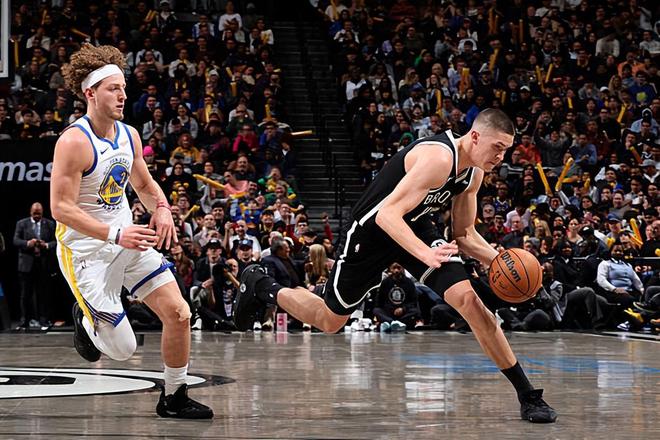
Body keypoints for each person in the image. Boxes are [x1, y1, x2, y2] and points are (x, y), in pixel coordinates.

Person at [234, 109, 556, 423]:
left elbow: (465, 234)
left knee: (471, 303)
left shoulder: (473, 172)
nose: (501, 157)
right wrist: (426, 254)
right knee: (330, 320)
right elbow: (386, 215)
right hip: (371, 233)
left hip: (415, 227)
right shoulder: (439, 158)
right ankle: (261, 285)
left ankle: (528, 395)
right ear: (474, 136)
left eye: (506, 150)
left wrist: (501, 261)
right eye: (497, 147)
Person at [51, 44, 212, 419]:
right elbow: (61, 208)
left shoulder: (129, 135)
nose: (123, 95)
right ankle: (84, 318)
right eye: (113, 89)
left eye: (123, 88)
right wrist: (113, 234)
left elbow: (143, 183)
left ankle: (174, 396)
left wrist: (162, 208)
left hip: (127, 241)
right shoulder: (73, 142)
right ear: (90, 93)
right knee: (123, 350)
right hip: (86, 252)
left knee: (179, 313)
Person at [12, 202, 57, 330]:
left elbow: (56, 241)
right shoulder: (22, 223)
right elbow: (15, 240)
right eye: (35, 213)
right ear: (30, 212)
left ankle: (44, 321)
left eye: (39, 213)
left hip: (43, 264)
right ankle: (24, 322)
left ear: (42, 213)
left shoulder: (49, 224)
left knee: (43, 294)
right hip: (26, 265)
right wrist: (28, 243)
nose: (37, 215)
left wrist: (46, 245)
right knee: (25, 294)